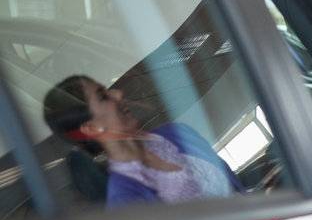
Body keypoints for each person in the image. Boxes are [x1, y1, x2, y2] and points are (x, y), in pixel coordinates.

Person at [42, 74, 241, 205]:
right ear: (92, 128)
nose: (118, 94)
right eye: (103, 96)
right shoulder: (126, 201)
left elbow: (239, 192)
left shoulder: (178, 132)